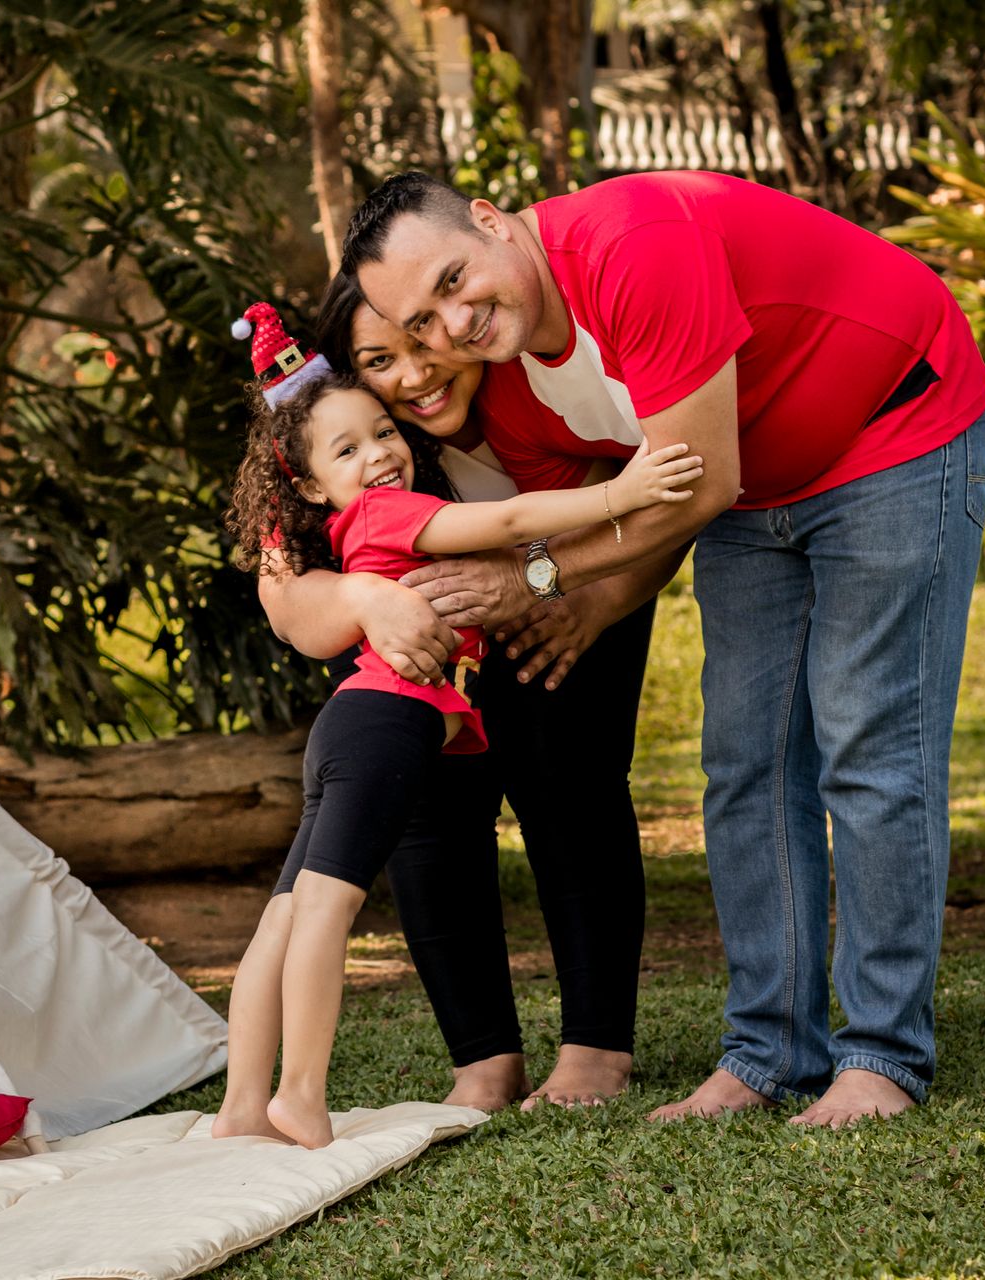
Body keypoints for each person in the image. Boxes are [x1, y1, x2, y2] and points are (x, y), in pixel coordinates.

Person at [344, 170, 985, 1128]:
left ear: (490, 222)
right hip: (752, 492)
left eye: (452, 281)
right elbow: (622, 519)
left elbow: (695, 485)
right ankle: (769, 1053)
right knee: (744, 764)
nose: (452, 324)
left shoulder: (628, 246)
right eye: (421, 322)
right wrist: (575, 594)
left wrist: (533, 582)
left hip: (893, 428)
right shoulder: (515, 391)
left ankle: (881, 1056)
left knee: (869, 749)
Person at [213, 362, 700, 1148]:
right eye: (348, 448)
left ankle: (242, 1106)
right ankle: (298, 1094)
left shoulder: (341, 523)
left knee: (287, 912)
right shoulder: (393, 510)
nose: (379, 450)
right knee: (327, 912)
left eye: (383, 433)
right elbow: (510, 522)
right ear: (306, 482)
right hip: (388, 726)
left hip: (352, 721)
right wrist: (621, 494)